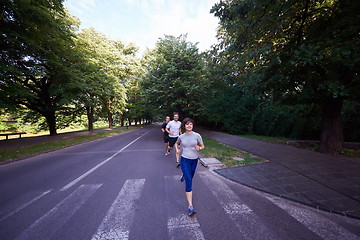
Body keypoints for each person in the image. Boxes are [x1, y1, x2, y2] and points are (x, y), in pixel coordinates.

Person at [175, 117, 205, 216]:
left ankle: (184, 174)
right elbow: (177, 143)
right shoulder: (181, 137)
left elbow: (202, 146)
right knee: (189, 181)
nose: (189, 125)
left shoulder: (197, 135)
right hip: (184, 160)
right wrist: (177, 149)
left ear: (192, 125)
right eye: (187, 124)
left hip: (194, 160)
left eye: (191, 124)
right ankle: (190, 206)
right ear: (184, 126)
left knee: (190, 177)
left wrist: (199, 148)